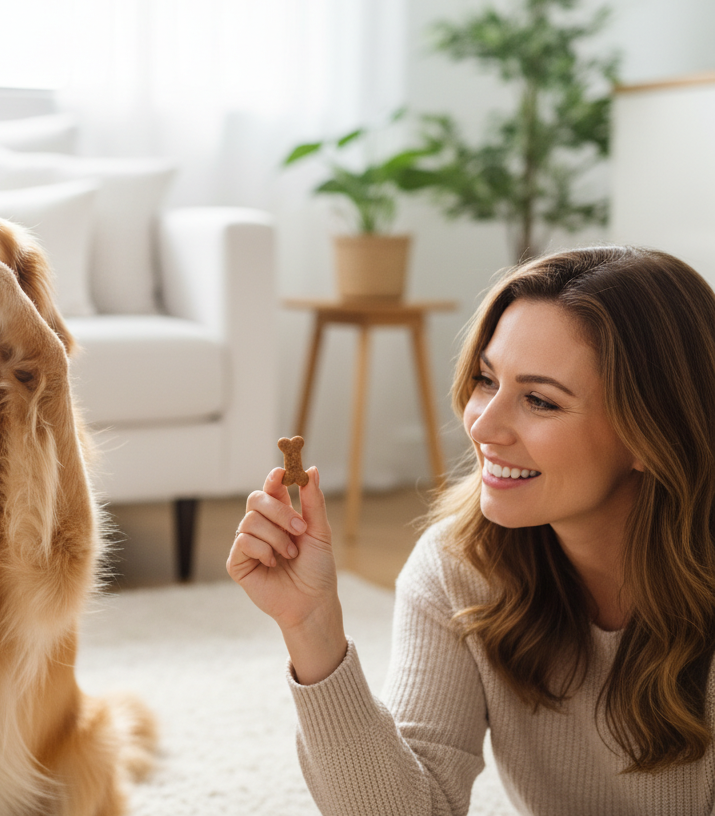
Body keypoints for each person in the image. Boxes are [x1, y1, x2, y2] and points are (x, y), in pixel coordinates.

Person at [228, 246, 715, 815]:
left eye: (539, 400)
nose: (482, 424)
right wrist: (312, 626)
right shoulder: (459, 566)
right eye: (486, 379)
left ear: (653, 434)